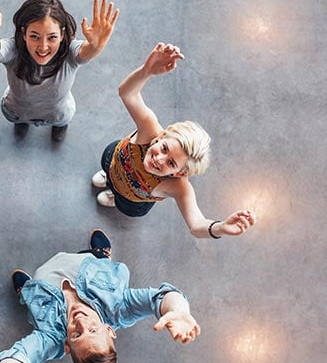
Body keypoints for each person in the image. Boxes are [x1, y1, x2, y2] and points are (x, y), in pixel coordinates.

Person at [0, 229, 200, 363]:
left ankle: (28, 290)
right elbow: (160, 298)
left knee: (32, 296)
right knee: (96, 260)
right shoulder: (120, 307)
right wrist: (179, 309)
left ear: (66, 346)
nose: (81, 321)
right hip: (86, 264)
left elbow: (17, 356)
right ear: (109, 329)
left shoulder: (52, 338)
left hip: (44, 282)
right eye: (93, 330)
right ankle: (101, 256)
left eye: (76, 335)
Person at [92, 43, 256, 239]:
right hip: (113, 158)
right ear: (161, 137)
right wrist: (147, 71)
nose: (159, 159)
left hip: (131, 199)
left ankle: (115, 195)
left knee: (123, 202)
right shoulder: (149, 129)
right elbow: (127, 93)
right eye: (163, 148)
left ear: (179, 172)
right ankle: (109, 177)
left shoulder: (178, 187)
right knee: (110, 168)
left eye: (171, 163)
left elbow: (196, 225)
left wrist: (220, 228)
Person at [0, 0, 119, 141]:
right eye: (34, 36)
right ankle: (22, 123)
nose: (43, 47)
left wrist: (95, 46)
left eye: (52, 37)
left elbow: (85, 52)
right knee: (19, 121)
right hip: (16, 111)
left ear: (62, 35)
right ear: (24, 33)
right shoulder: (15, 49)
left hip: (59, 114)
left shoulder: (69, 53)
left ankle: (58, 126)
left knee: (60, 122)